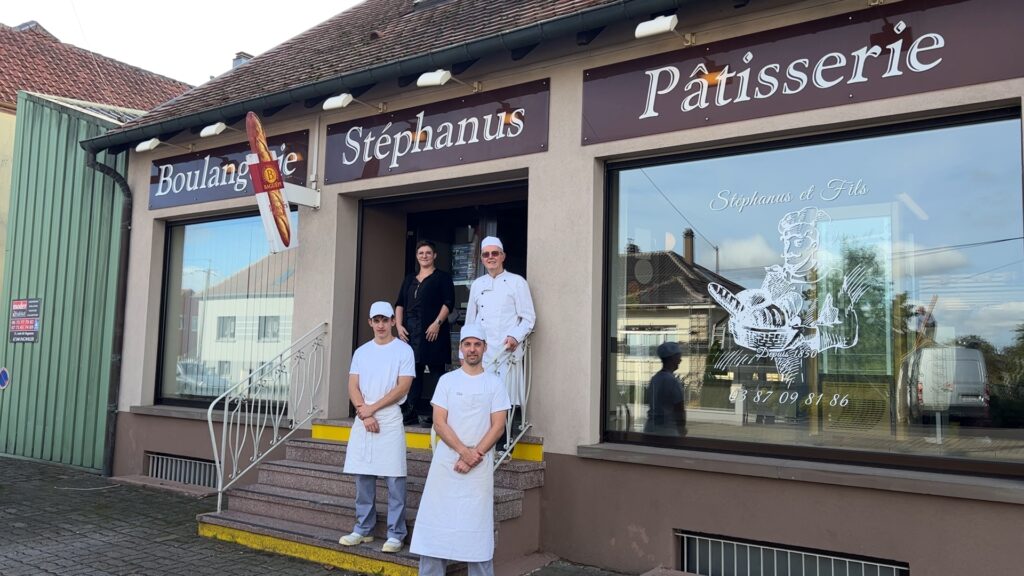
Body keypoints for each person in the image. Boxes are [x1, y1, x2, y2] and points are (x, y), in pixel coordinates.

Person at [409, 324, 511, 576]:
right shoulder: (447, 380)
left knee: (476, 531)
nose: (472, 349)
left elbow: (498, 426)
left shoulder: (495, 383)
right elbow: (439, 422)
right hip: (447, 463)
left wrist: (473, 455)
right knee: (436, 529)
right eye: (468, 344)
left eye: (477, 344)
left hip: (479, 467)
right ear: (460, 349)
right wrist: (463, 452)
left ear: (485, 348)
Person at [338, 301, 415, 553]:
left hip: (389, 418)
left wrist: (373, 409)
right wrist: (364, 411)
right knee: (363, 476)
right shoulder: (361, 352)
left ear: (393, 321)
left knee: (394, 478)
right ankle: (363, 529)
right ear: (370, 322)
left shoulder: (404, 351)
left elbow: (402, 387)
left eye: (385, 319)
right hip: (364, 417)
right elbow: (352, 385)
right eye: (376, 320)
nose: (381, 325)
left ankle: (396, 533)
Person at [465, 236, 536, 432]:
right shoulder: (478, 284)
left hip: (507, 352)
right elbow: (470, 321)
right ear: (481, 259)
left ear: (503, 256)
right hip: (482, 354)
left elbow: (528, 317)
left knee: (506, 398)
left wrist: (515, 336)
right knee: (481, 398)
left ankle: (504, 446)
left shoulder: (517, 282)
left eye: (494, 253)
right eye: (486, 254)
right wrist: (464, 354)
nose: (490, 257)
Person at [395, 240, 455, 426]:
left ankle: (439, 415)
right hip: (411, 332)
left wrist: (437, 323)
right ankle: (411, 411)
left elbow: (448, 302)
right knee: (413, 373)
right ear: (417, 256)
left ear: (434, 255)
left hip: (432, 332)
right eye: (421, 253)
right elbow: (399, 304)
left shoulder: (442, 277)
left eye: (428, 253)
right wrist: (398, 326)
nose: (424, 256)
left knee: (437, 372)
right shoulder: (410, 278)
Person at [644, 341, 687, 437]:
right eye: (678, 357)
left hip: (650, 429)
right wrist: (682, 429)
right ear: (672, 358)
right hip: (667, 432)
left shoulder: (655, 379)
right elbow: (679, 409)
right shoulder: (673, 381)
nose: (680, 360)